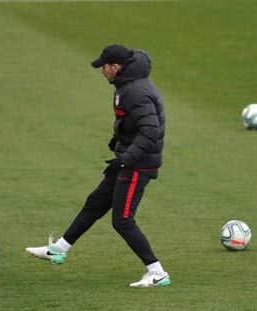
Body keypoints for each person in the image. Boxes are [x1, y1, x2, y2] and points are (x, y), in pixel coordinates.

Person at [26, 44, 169, 288]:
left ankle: (157, 272)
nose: (102, 70)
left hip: (138, 164)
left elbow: (151, 131)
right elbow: (133, 121)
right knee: (95, 203)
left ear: (116, 67)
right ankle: (58, 249)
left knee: (122, 220)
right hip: (130, 158)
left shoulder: (134, 90)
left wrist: (124, 159)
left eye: (104, 66)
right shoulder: (127, 84)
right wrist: (119, 139)